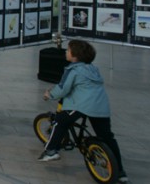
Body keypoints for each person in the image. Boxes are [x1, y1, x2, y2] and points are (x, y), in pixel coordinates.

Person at [38, 39, 129, 182]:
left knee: (60, 120)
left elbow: (63, 88)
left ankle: (51, 151)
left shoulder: (73, 70)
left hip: (82, 106)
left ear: (75, 56)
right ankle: (121, 173)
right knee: (107, 137)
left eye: (68, 50)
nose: (66, 52)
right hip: (101, 106)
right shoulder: (93, 69)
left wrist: (49, 94)